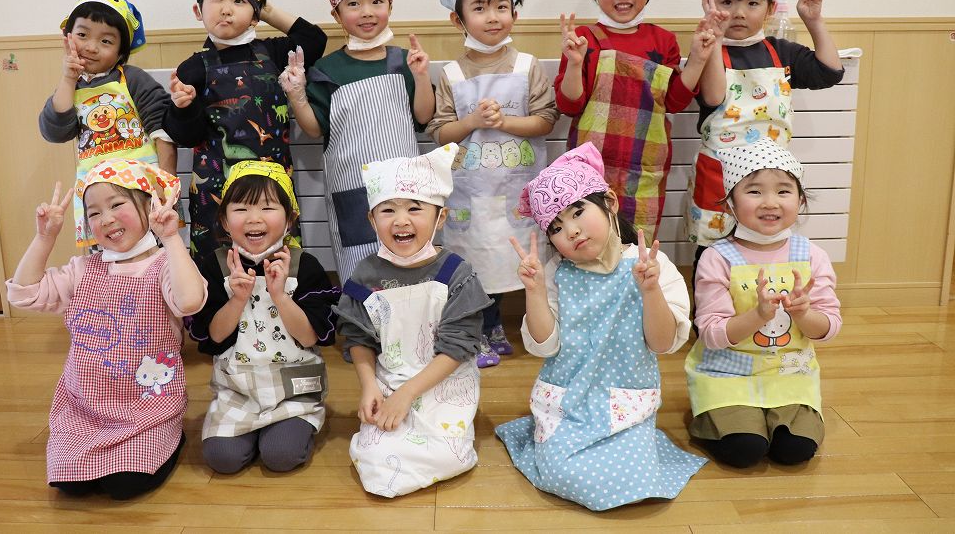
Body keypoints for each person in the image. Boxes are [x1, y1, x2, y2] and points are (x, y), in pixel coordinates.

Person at [495, 142, 705, 511]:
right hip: (568, 404)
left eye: (578, 212)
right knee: (561, 473)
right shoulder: (556, 273)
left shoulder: (651, 266)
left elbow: (662, 344)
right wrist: (535, 291)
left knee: (635, 479)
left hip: (628, 404)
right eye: (557, 227)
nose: (572, 231)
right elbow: (544, 345)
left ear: (609, 201)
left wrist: (651, 290)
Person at [6, 158, 206, 499]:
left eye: (116, 204)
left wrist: (172, 239)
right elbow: (24, 294)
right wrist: (44, 238)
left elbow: (189, 301)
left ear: (149, 205)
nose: (106, 218)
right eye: (94, 213)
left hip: (148, 410)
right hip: (84, 408)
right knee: (70, 486)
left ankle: (171, 436)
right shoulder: (83, 269)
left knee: (125, 486)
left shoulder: (165, 265)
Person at [555, 0, 727, 240]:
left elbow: (674, 102)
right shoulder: (584, 39)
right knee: (588, 241)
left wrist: (697, 58)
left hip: (645, 171)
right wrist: (574, 63)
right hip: (589, 169)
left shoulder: (662, 40)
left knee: (638, 247)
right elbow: (569, 105)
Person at [333, 144, 492, 497]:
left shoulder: (456, 273)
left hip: (445, 381)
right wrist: (370, 386)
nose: (401, 220)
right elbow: (358, 337)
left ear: (440, 217)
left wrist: (407, 395)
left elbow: (458, 346)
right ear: (372, 220)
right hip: (389, 380)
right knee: (374, 459)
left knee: (447, 455)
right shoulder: (365, 274)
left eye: (415, 208)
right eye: (388, 210)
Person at [427, 0, 558, 368]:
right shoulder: (451, 74)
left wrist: (505, 122)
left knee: (510, 254)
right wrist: (472, 122)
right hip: (469, 191)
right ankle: (479, 326)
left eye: (502, 7)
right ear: (458, 19)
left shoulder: (528, 66)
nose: (493, 17)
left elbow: (546, 120)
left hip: (516, 190)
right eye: (480, 8)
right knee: (473, 258)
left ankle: (495, 321)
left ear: (514, 13)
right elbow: (440, 132)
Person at [684, 138, 841, 468]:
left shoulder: (813, 256)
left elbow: (828, 328)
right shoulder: (716, 258)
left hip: (790, 373)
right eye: (754, 191)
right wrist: (757, 315)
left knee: (794, 450)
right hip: (726, 374)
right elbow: (711, 334)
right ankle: (712, 416)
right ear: (730, 203)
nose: (770, 202)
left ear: (800, 199)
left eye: (783, 191)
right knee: (746, 450)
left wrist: (805, 314)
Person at [685, 0, 844, 272]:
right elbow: (714, 97)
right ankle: (710, 306)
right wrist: (714, 39)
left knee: (766, 253)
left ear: (770, 9)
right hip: (719, 172)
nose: (739, 12)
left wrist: (814, 21)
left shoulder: (781, 51)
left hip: (770, 176)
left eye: (753, 2)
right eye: (727, 2)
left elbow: (830, 72)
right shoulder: (704, 50)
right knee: (711, 255)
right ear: (710, 4)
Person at [279, 0, 434, 283]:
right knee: (360, 269)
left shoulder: (402, 61)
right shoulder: (327, 69)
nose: (366, 12)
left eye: (377, 1)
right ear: (336, 14)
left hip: (405, 186)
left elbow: (423, 116)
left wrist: (421, 76)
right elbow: (314, 128)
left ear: (389, 6)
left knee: (411, 263)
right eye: (353, 3)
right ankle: (361, 315)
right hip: (351, 187)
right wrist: (297, 95)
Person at [163, 0, 327, 261]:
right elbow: (187, 136)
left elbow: (314, 39)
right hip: (216, 188)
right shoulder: (192, 68)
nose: (226, 9)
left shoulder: (275, 52)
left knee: (279, 264)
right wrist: (183, 107)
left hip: (272, 187)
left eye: (239, 1)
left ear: (255, 16)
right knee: (215, 268)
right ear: (198, 11)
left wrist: (265, 7)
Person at [187, 160, 338, 474]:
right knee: (222, 459)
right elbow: (214, 336)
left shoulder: (304, 265)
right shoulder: (214, 266)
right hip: (237, 390)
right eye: (241, 209)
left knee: (280, 455)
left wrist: (280, 296)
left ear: (290, 218)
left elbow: (309, 336)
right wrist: (237, 299)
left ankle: (291, 428)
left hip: (293, 392)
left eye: (267, 207)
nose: (254, 218)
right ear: (224, 220)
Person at [38, 0, 176, 248]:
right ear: (67, 37)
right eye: (82, 35)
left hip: (141, 193)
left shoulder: (134, 79)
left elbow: (163, 132)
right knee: (105, 259)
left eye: (105, 41)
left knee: (154, 257)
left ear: (121, 52)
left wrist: (165, 188)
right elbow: (55, 132)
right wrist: (68, 79)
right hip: (97, 199)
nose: (91, 47)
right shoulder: (70, 88)